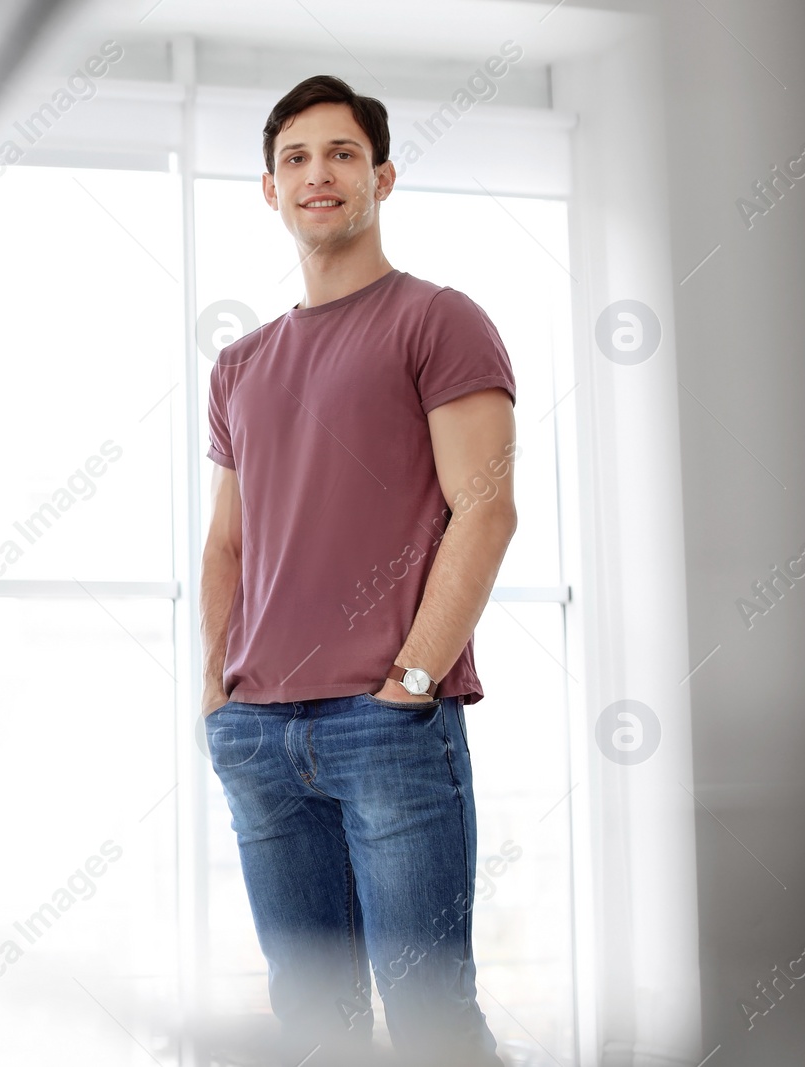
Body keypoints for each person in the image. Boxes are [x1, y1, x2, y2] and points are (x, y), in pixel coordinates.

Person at [200, 73, 518, 1067]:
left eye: (340, 154)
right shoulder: (240, 364)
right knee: (311, 1030)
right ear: (269, 190)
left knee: (429, 1022)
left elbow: (486, 505)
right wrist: (216, 693)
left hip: (386, 726)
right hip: (257, 731)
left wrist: (411, 680)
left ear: (381, 177)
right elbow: (227, 545)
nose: (317, 174)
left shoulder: (436, 320)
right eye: (294, 158)